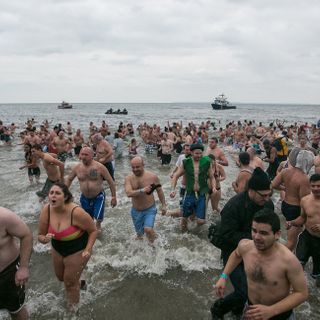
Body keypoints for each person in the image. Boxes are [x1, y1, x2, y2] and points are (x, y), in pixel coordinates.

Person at [215, 209, 308, 320]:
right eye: (254, 230)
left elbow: (302, 293)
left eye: (263, 233)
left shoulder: (289, 261)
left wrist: (271, 311)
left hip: (279, 316)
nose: (256, 237)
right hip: (251, 310)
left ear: (277, 234)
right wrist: (224, 276)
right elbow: (236, 255)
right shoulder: (245, 246)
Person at [210, 167, 274, 319]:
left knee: (258, 289)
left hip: (256, 251)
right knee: (244, 291)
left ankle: (237, 310)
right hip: (233, 252)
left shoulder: (268, 204)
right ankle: (218, 309)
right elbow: (226, 235)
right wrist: (255, 237)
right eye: (263, 195)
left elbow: (271, 227)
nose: (267, 198)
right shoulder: (234, 206)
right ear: (251, 190)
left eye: (268, 194)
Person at [38, 183, 98, 309]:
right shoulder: (46, 210)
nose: (53, 196)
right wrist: (44, 239)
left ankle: (73, 312)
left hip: (78, 249)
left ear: (65, 197)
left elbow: (93, 230)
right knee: (61, 278)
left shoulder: (77, 212)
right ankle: (80, 283)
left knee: (69, 284)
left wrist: (88, 249)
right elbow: (40, 235)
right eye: (51, 193)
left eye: (57, 193)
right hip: (57, 247)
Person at [65, 146, 117, 231]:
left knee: (98, 217)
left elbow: (111, 182)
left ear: (92, 156)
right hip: (85, 197)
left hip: (98, 196)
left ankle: (98, 227)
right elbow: (69, 179)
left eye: (86, 154)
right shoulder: (77, 168)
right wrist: (65, 193)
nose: (84, 156)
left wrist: (114, 197)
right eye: (82, 154)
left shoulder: (99, 167)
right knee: (88, 219)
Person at [272, 147, 314, 250]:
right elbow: (304, 200)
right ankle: (282, 261)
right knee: (291, 241)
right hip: (295, 210)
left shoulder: (286, 171)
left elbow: (274, 184)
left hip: (285, 205)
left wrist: (286, 189)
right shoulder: (304, 178)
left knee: (290, 235)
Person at [170, 143, 216, 231]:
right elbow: (176, 176)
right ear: (191, 152)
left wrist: (213, 187)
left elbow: (212, 177)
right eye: (196, 153)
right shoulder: (186, 162)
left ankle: (194, 232)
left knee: (201, 221)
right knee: (184, 218)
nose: (199, 155)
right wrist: (173, 190)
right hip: (189, 193)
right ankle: (185, 236)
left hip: (202, 193)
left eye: (200, 153)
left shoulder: (206, 162)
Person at [287, 173, 320, 287]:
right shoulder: (305, 200)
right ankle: (295, 291)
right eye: (313, 186)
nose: (316, 188)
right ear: (310, 186)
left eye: (319, 186)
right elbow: (302, 218)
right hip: (307, 237)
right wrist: (291, 222)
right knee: (298, 265)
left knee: (318, 276)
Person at [0, 207, 33, 320]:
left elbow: (26, 235)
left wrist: (23, 267)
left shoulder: (4, 216)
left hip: (7, 274)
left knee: (16, 310)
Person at [124, 156, 167, 243]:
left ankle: (157, 245)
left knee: (148, 229)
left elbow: (159, 191)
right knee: (140, 236)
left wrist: (163, 205)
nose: (135, 169)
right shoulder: (129, 178)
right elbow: (128, 193)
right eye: (133, 167)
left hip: (149, 209)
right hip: (135, 211)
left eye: (138, 167)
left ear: (143, 165)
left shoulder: (152, 177)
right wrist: (142, 190)